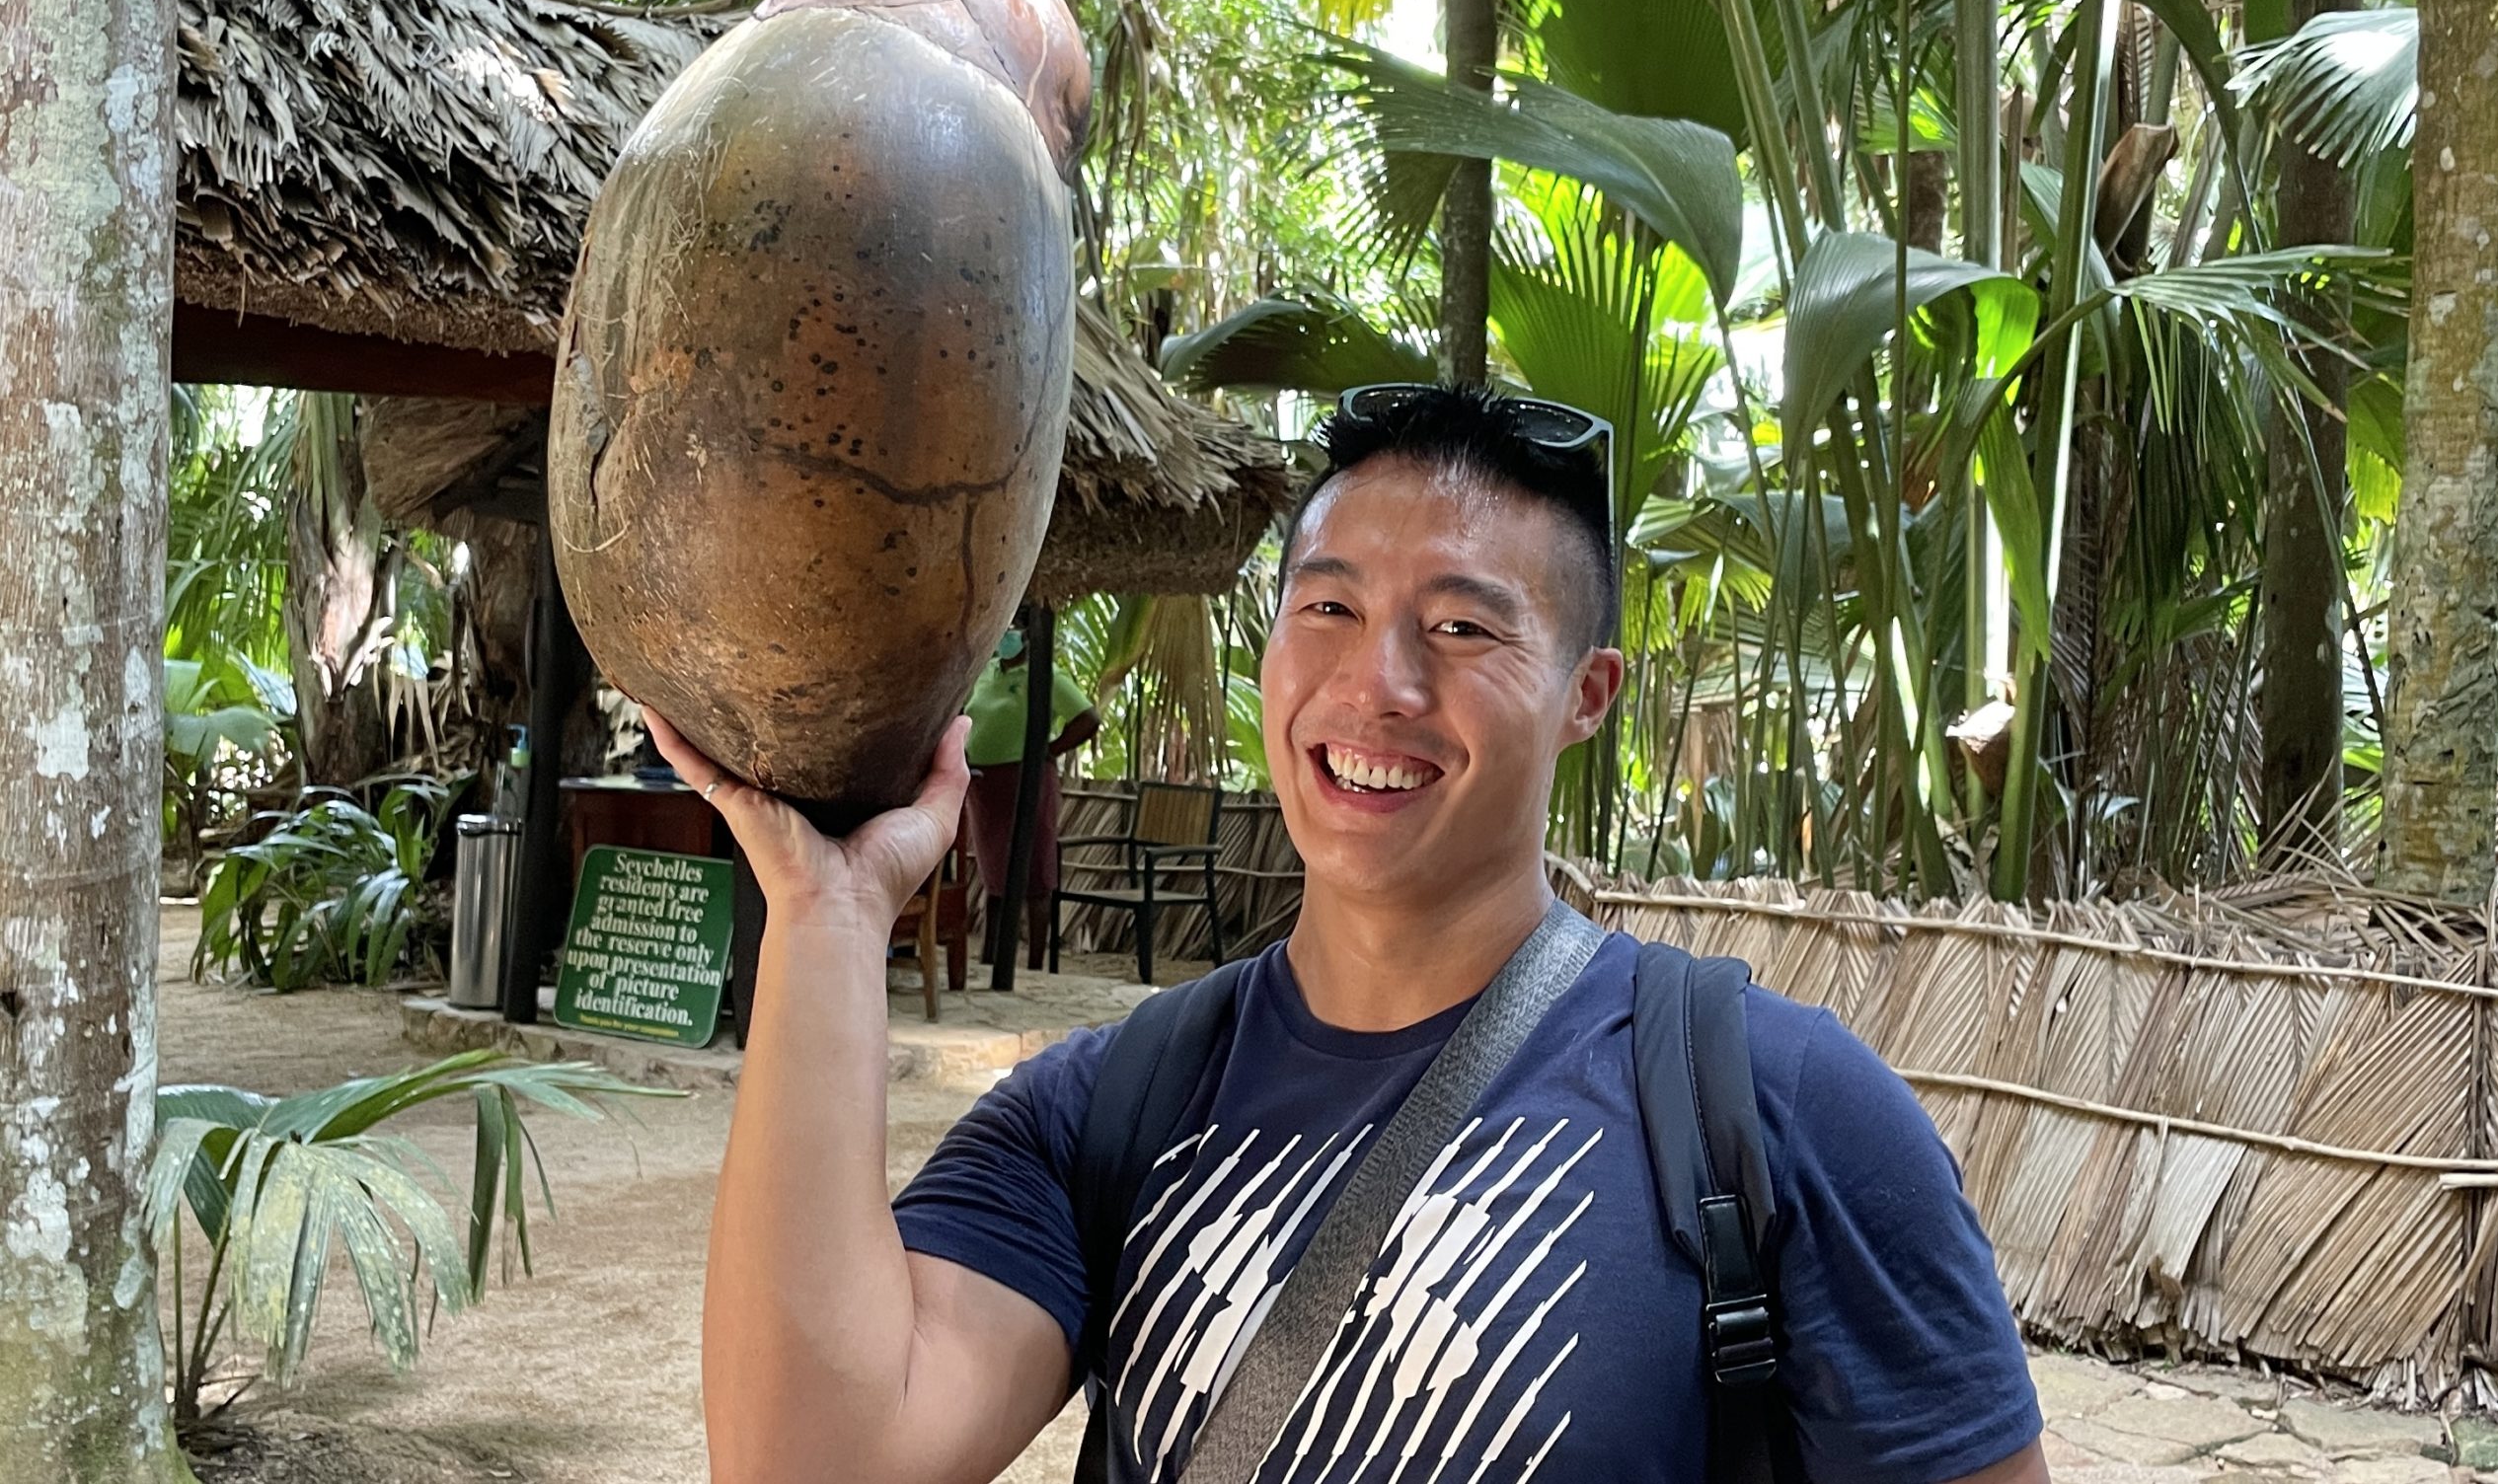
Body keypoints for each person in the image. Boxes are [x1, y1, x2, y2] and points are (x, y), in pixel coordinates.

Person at [647, 384, 2047, 1484]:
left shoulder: (1780, 1114)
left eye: (1459, 626)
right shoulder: (1102, 1114)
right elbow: (812, 1459)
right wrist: (827, 917)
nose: (1375, 683)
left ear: (1588, 692)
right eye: (1328, 607)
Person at [961, 627, 1098, 969]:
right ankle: (990, 954)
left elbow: (1088, 719)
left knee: (1035, 871)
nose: (1004, 636)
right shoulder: (985, 671)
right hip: (984, 785)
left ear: (1027, 635)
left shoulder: (1046, 675)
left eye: (1012, 630)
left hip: (1027, 781)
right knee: (994, 870)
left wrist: (1048, 751)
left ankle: (1036, 961)